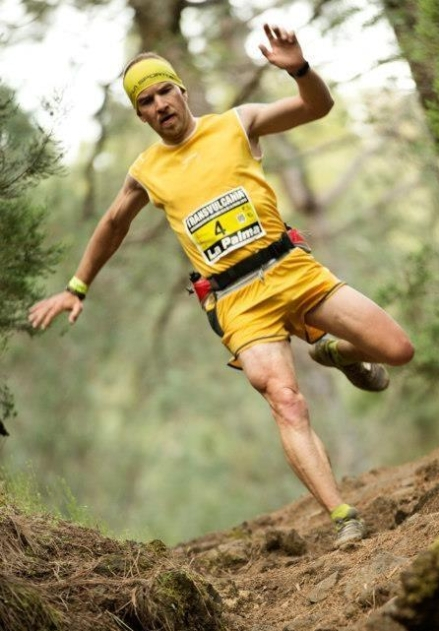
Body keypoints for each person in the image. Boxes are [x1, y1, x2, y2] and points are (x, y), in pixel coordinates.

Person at [28, 24, 414, 549]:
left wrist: (299, 70)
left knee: (397, 350)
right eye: (147, 100)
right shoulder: (145, 170)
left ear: (182, 90)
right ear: (140, 114)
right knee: (284, 398)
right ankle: (344, 516)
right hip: (236, 299)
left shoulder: (239, 123)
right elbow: (113, 225)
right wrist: (77, 286)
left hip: (290, 269)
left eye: (165, 90)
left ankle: (336, 353)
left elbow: (315, 109)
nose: (160, 103)